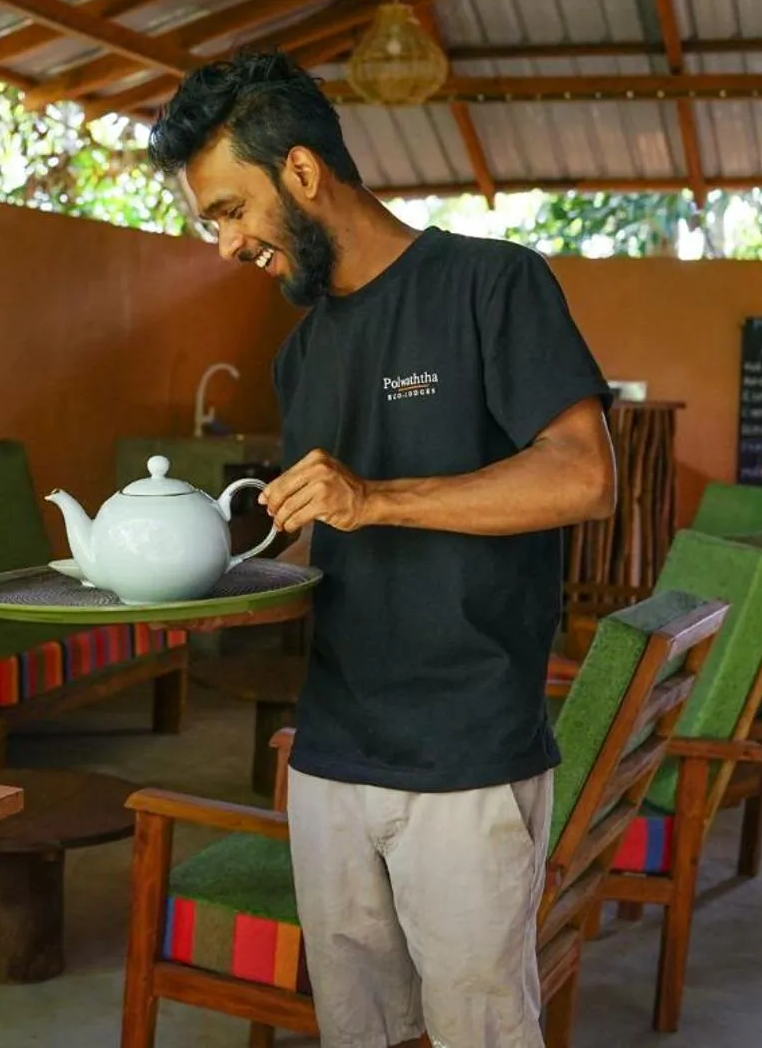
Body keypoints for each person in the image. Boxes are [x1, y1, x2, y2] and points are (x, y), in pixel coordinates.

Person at [147, 51, 617, 1048]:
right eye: (209, 221)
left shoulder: (491, 284)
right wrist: (193, 578)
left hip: (464, 752)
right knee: (356, 1028)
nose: (225, 244)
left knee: (477, 1030)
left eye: (229, 209)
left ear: (304, 173)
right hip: (331, 749)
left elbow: (583, 475)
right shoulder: (303, 349)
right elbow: (324, 540)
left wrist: (380, 496)